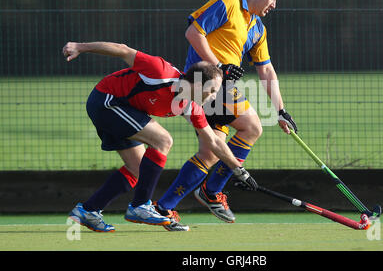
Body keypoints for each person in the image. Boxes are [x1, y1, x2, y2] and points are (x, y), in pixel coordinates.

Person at [63, 41, 258, 232]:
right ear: (198, 83)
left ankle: (88, 210)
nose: (215, 96)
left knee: (137, 169)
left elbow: (213, 141)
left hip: (126, 111)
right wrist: (81, 47)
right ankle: (140, 206)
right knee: (163, 140)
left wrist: (238, 169)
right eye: (213, 90)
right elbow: (123, 50)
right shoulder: (161, 72)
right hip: (107, 101)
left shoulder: (192, 107)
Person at [154, 0, 298, 224]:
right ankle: (211, 191)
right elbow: (193, 33)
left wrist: (281, 111)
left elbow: (266, 69)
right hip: (204, 82)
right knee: (252, 127)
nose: (274, 5)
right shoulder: (228, 4)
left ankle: (163, 207)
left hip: (220, 86)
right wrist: (218, 66)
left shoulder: (257, 28)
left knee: (210, 154)